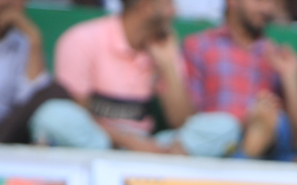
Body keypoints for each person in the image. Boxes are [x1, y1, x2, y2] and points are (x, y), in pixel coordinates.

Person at [32, 0, 241, 156]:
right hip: (99, 143)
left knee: (225, 126)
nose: (174, 11)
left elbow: (181, 121)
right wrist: (130, 143)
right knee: (53, 115)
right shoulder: (82, 38)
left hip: (151, 146)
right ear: (146, 6)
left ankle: (162, 160)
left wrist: (167, 66)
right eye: (168, 3)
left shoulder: (164, 45)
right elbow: (79, 114)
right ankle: (150, 161)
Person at [182, 0, 297, 158]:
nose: (267, 8)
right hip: (216, 143)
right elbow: (186, 120)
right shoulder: (200, 45)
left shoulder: (278, 55)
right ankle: (247, 151)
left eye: (272, 2)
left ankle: (248, 151)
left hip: (269, 148)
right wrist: (244, 122)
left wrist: (290, 77)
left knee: (277, 121)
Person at [0, 0, 73, 145]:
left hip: (8, 128)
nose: (11, 4)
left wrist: (34, 39)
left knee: (53, 95)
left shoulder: (21, 41)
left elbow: (31, 98)